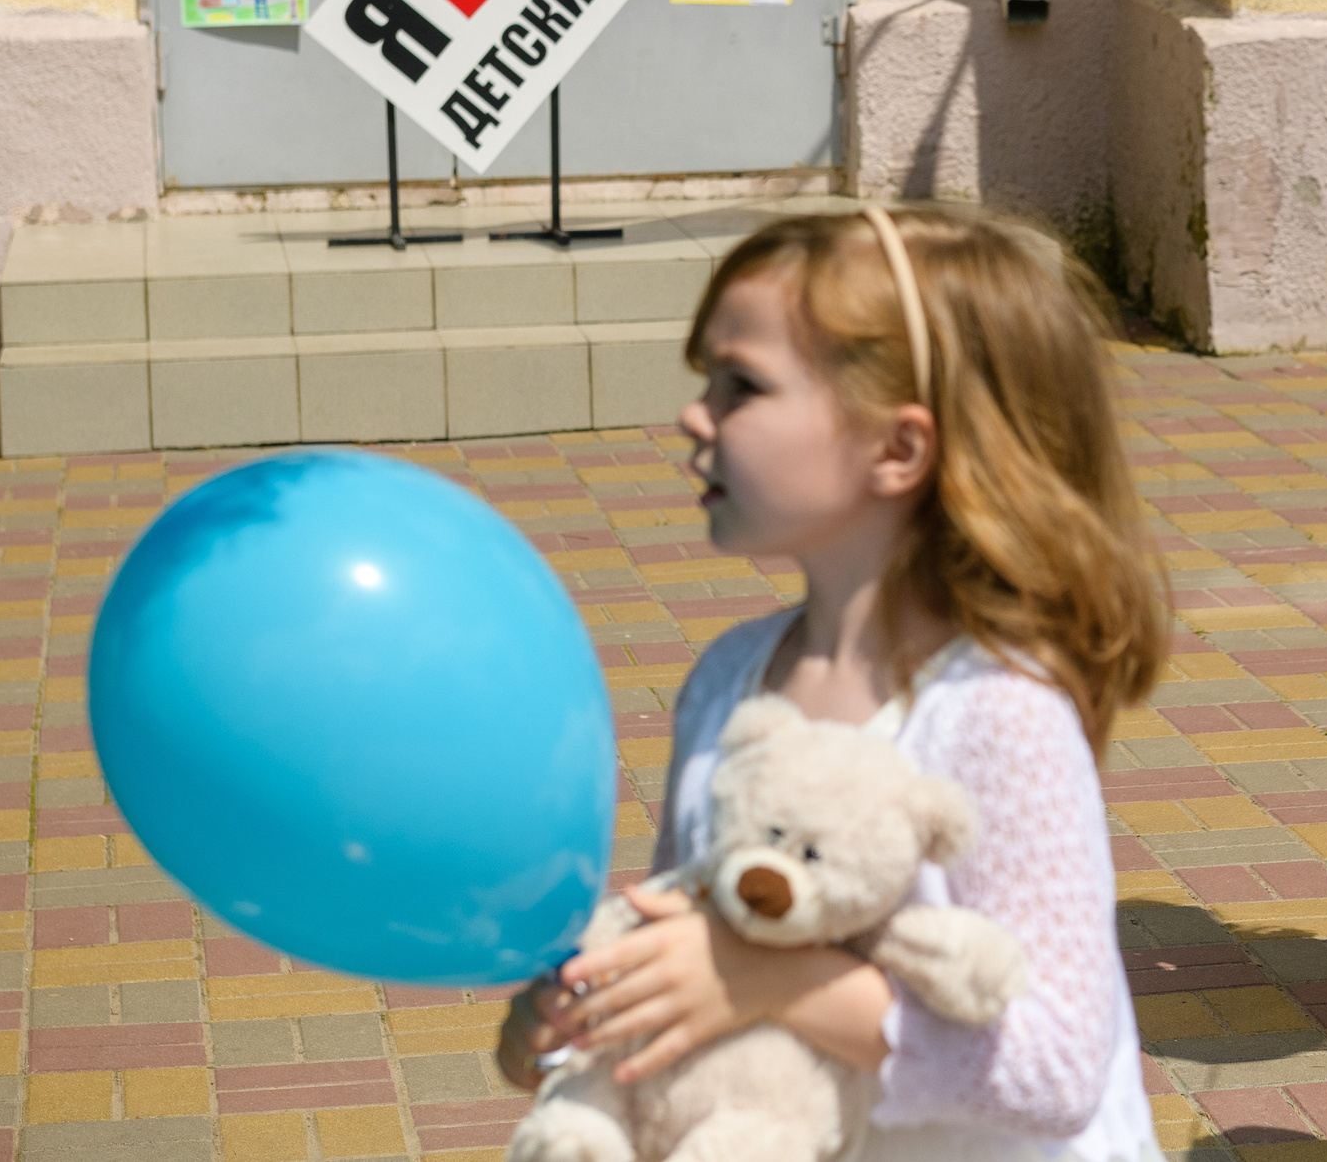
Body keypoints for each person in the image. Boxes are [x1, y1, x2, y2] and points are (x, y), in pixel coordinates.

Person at [497, 207, 1170, 1162]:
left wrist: (775, 983)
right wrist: (598, 1004)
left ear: (898, 448)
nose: (696, 414)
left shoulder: (998, 713)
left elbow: (1057, 1065)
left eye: (742, 386)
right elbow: (696, 925)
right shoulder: (729, 679)